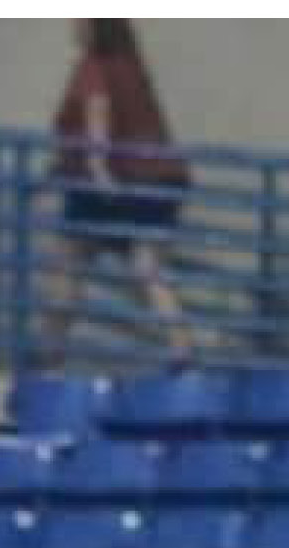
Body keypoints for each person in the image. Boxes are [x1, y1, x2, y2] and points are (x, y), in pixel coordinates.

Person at [53, 19, 192, 358]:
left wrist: (99, 170)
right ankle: (182, 350)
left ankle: (48, 352)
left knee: (69, 263)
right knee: (149, 267)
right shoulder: (132, 64)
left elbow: (97, 112)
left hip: (110, 182)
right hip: (158, 179)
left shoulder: (93, 67)